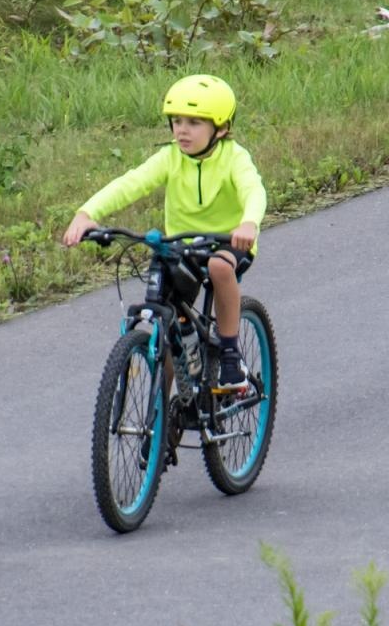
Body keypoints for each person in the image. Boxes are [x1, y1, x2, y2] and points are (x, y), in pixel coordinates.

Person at [62, 74, 267, 391]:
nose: (182, 130)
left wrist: (249, 223)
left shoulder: (233, 158)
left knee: (218, 266)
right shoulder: (171, 157)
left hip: (229, 242)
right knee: (169, 322)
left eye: (195, 122)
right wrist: (87, 213)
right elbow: (131, 183)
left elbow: (254, 191)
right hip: (182, 248)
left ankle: (229, 355)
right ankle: (163, 409)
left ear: (222, 128)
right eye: (177, 121)